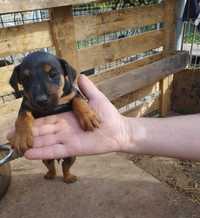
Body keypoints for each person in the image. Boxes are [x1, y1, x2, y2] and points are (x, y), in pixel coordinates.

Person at [7, 75, 200, 161]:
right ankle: (51, 170)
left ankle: (66, 171)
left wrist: (81, 106)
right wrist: (23, 123)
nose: (41, 91)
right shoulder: (29, 100)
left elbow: (75, 97)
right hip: (51, 135)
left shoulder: (69, 91)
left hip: (69, 135)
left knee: (68, 158)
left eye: (52, 75)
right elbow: (25, 110)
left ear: (67, 75)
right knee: (47, 157)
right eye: (28, 79)